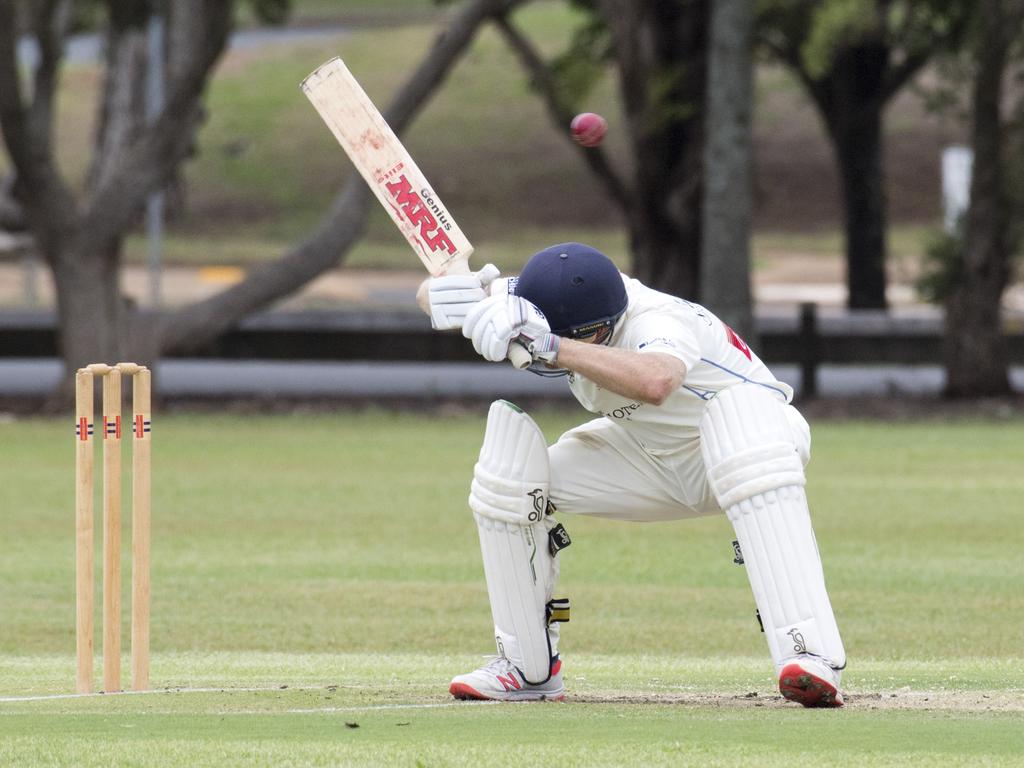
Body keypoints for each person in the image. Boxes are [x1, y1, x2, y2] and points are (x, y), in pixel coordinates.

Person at [418, 242, 846, 707]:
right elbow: (430, 294)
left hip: (750, 442)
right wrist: (450, 294)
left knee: (742, 422)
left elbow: (656, 381)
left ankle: (809, 655)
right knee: (512, 475)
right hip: (648, 456)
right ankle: (527, 669)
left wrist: (554, 346)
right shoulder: (539, 294)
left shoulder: (658, 320)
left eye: (585, 337)